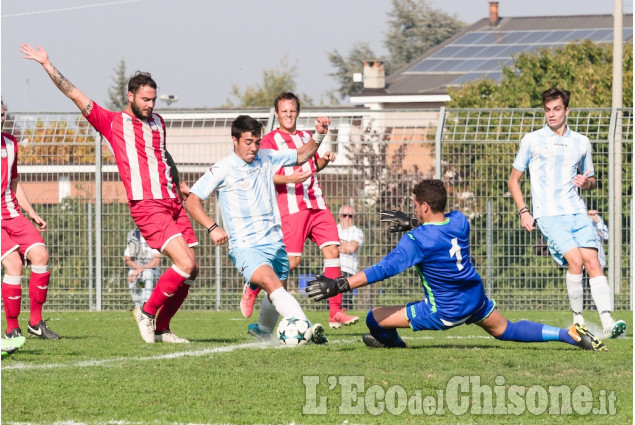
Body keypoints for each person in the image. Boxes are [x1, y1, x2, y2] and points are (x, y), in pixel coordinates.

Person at [22, 44, 198, 344]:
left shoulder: (158, 123)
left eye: (153, 99)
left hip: (172, 202)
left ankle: (162, 328)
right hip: (149, 205)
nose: (150, 105)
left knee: (191, 272)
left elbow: (162, 156)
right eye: (145, 99)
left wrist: (179, 183)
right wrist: (47, 65)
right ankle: (146, 311)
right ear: (130, 96)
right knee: (186, 264)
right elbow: (74, 94)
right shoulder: (112, 122)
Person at [306, 179, 607, 351]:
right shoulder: (460, 221)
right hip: (474, 297)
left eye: (415, 206)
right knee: (507, 330)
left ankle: (396, 345)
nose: (414, 210)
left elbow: (382, 270)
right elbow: (440, 227)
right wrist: (412, 222)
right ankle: (568, 334)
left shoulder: (417, 241)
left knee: (373, 318)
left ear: (424, 206)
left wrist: (339, 284)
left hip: (445, 310)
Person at [185, 115, 327, 343]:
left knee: (277, 289)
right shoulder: (223, 168)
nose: (253, 148)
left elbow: (301, 155)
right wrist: (212, 227)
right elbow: (192, 200)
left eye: (257, 142)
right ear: (235, 140)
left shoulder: (266, 157)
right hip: (245, 246)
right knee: (272, 284)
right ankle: (306, 328)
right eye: (248, 142)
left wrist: (319, 134)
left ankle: (262, 329)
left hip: (275, 241)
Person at [507, 87, 626, 340]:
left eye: (556, 109)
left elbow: (592, 179)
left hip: (577, 212)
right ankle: (578, 320)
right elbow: (513, 180)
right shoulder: (532, 140)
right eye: (547, 110)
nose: (551, 114)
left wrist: (587, 183)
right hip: (548, 214)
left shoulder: (581, 142)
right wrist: (524, 212)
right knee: (576, 261)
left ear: (567, 110)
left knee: (593, 263)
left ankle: (607, 321)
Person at [240, 92, 358, 330]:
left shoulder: (307, 137)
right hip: (291, 207)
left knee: (333, 252)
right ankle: (254, 282)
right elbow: (264, 176)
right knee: (291, 263)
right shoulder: (271, 141)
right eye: (284, 111)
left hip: (317, 203)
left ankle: (335, 312)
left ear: (297, 112)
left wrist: (325, 159)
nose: (288, 115)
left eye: (292, 111)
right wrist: (289, 177)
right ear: (277, 114)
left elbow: (313, 167)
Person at [1, 100, 60, 340]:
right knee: (14, 264)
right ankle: (11, 328)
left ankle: (35, 322)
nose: (0, 118)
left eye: (2, 114)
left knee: (41, 256)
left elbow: (14, 184)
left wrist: (32, 212)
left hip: (12, 213)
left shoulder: (10, 143)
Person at [124, 227, 162, 317]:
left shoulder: (154, 236)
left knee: (147, 274)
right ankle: (139, 309)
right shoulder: (134, 236)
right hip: (136, 271)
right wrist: (138, 270)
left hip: (152, 271)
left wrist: (139, 270)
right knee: (133, 277)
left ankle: (146, 310)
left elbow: (156, 261)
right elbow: (127, 259)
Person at [337, 204, 364, 312]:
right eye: (344, 215)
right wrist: (345, 244)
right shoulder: (334, 228)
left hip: (348, 270)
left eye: (350, 216)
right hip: (332, 267)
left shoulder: (357, 231)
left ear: (354, 217)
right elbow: (329, 248)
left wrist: (338, 244)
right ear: (339, 216)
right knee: (330, 300)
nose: (347, 218)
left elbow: (352, 248)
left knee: (345, 302)